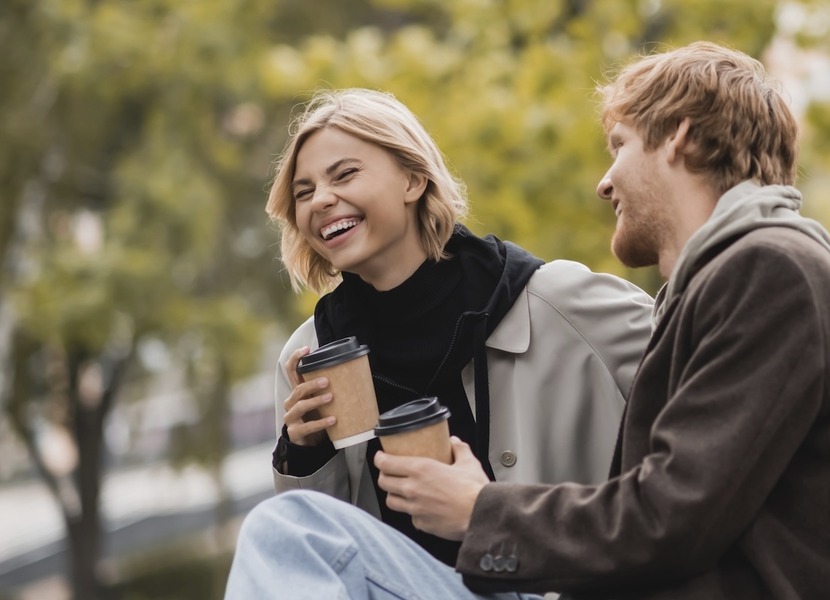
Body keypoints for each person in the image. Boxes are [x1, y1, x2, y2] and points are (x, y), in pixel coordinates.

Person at [228, 42, 830, 599]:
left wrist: (478, 511)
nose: (604, 180)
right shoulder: (735, 281)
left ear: (677, 141)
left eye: (619, 146)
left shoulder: (768, 274)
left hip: (541, 580)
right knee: (295, 529)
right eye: (305, 190)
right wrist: (304, 451)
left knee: (291, 533)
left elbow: (670, 517)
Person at [264, 88, 654, 565]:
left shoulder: (559, 301)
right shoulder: (310, 355)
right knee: (269, 529)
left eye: (344, 174)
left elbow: (712, 392)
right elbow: (319, 556)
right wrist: (302, 455)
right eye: (303, 193)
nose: (321, 200)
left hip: (559, 584)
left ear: (413, 180)